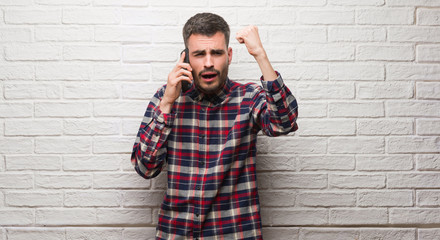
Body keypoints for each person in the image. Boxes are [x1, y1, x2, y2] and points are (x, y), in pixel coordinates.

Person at [131, 12, 298, 240]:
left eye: (216, 53)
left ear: (228, 55)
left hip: (235, 233)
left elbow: (284, 122)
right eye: (199, 54)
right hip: (176, 232)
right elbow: (145, 167)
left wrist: (260, 55)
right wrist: (168, 103)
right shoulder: (166, 97)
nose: (208, 63)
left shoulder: (249, 98)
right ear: (186, 58)